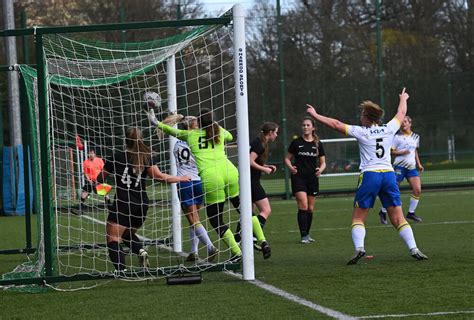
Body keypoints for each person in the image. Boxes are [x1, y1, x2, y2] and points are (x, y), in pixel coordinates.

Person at [306, 88, 428, 264]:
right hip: (388, 175)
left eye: (362, 114)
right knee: (398, 218)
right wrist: (403, 98)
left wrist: (316, 115)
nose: (360, 117)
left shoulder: (361, 131)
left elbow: (335, 124)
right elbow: (402, 112)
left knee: (358, 217)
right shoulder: (389, 128)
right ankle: (414, 249)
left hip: (370, 175)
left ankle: (359, 249)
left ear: (367, 118)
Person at [148, 108, 271, 260]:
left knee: (215, 219)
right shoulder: (218, 130)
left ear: (198, 122)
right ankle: (262, 240)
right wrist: (215, 124)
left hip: (211, 177)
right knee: (244, 210)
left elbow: (172, 132)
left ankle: (236, 252)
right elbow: (231, 136)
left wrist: (156, 122)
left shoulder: (190, 135)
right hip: (230, 172)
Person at [98, 127, 190, 272]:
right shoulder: (146, 157)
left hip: (123, 202)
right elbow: (160, 177)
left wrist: (102, 192)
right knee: (127, 234)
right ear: (141, 139)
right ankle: (141, 251)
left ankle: (121, 271)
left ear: (126, 140)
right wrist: (180, 178)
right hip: (141, 204)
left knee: (113, 238)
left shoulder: (117, 157)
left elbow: (100, 178)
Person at [173, 116, 219, 262]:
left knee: (193, 219)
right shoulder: (199, 142)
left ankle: (210, 247)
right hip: (199, 181)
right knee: (195, 218)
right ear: (193, 126)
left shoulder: (177, 144)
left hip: (184, 182)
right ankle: (194, 251)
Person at [235, 122, 279, 249]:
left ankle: (237, 240)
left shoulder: (259, 142)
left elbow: (253, 161)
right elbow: (249, 160)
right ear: (270, 132)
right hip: (251, 181)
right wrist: (264, 169)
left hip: (249, 179)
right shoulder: (259, 144)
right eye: (275, 132)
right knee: (266, 210)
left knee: (248, 213)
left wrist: (266, 166)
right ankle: (253, 237)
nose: (276, 135)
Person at [284, 117, 326, 244]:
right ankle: (303, 236)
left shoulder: (318, 144)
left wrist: (320, 170)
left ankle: (307, 234)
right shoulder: (296, 143)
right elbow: (287, 158)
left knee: (310, 208)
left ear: (313, 128)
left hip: (312, 179)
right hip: (299, 178)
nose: (305, 127)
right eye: (303, 125)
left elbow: (323, 162)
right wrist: (291, 168)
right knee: (303, 205)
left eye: (308, 125)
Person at [379, 115, 424, 224]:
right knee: (393, 190)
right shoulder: (396, 137)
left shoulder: (416, 137)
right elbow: (391, 151)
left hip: (411, 167)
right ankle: (383, 211)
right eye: (402, 122)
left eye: (405, 121)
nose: (403, 123)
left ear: (410, 123)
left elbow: (415, 151)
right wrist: (401, 152)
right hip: (399, 166)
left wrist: (419, 163)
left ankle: (411, 213)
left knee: (417, 189)